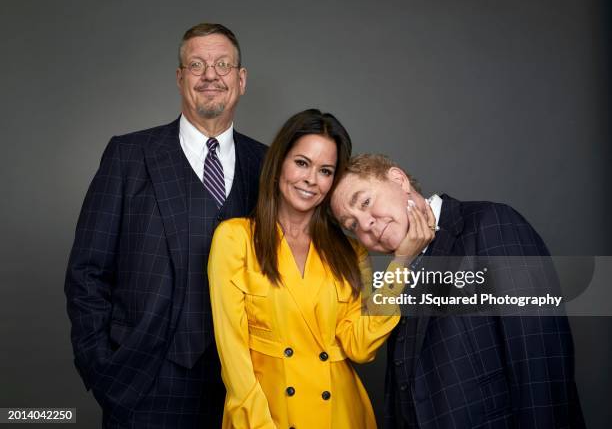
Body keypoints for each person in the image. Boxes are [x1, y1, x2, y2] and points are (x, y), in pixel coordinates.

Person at [64, 23, 267, 428]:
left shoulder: (267, 165)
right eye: (196, 64)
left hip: (247, 388)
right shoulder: (128, 156)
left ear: (241, 80)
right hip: (146, 385)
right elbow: (86, 273)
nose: (211, 75)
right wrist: (104, 370)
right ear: (180, 78)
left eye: (223, 65)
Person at [208, 110, 434, 428]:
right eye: (302, 163)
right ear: (279, 163)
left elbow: (360, 345)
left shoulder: (350, 251)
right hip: (267, 417)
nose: (311, 179)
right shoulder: (235, 239)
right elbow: (233, 359)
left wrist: (400, 265)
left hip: (341, 416)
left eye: (325, 170)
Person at [330, 154, 585, 428]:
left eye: (366, 202)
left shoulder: (491, 224)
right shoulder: (398, 274)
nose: (365, 225)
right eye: (352, 226)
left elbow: (541, 360)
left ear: (399, 180)